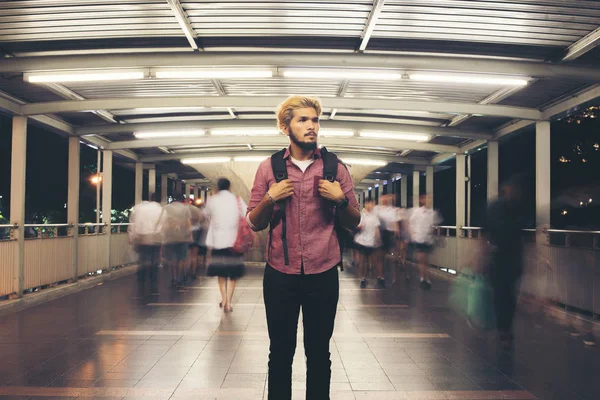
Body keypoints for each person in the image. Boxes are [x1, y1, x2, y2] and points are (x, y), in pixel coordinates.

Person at [246, 95, 361, 400]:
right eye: (303, 120)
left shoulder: (336, 168)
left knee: (319, 353)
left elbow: (354, 221)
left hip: (323, 272)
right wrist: (270, 197)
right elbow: (254, 222)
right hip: (279, 274)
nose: (312, 126)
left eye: (315, 120)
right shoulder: (268, 168)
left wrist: (341, 199)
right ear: (286, 127)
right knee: (280, 353)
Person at [484, 179, 525, 350]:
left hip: (500, 257)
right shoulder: (517, 208)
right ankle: (505, 327)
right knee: (508, 293)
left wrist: (480, 256)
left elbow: (485, 232)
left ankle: (503, 327)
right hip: (512, 257)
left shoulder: (494, 207)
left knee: (501, 293)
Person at [204, 178, 247, 312]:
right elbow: (246, 215)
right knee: (233, 274)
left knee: (221, 274)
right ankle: (229, 302)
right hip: (235, 243)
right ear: (229, 187)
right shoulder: (238, 200)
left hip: (218, 242)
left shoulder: (213, 200)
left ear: (218, 187)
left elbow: (206, 214)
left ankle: (223, 299)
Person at [128, 193, 163, 297]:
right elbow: (163, 226)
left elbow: (133, 223)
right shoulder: (160, 210)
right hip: (155, 239)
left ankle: (141, 285)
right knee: (154, 263)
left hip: (142, 238)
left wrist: (132, 237)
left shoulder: (139, 208)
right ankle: (153, 287)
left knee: (143, 261)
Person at [408, 194, 442, 290]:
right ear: (422, 200)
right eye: (426, 198)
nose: (428, 200)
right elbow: (410, 223)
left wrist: (436, 235)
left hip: (428, 240)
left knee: (426, 261)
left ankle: (425, 277)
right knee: (422, 259)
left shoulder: (432, 213)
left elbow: (435, 225)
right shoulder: (417, 212)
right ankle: (424, 279)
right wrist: (413, 234)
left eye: (429, 199)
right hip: (419, 239)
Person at [160, 194, 192, 289]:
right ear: (182, 200)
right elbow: (188, 222)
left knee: (171, 259)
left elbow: (163, 222)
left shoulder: (166, 207)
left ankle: (173, 278)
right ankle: (179, 278)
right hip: (182, 237)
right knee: (181, 258)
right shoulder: (185, 208)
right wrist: (190, 235)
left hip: (169, 237)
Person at [354, 199, 384, 289]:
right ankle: (363, 278)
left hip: (372, 242)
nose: (370, 205)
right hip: (362, 241)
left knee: (373, 261)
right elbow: (357, 225)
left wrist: (378, 239)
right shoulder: (361, 215)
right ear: (365, 204)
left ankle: (378, 277)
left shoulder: (374, 217)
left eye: (372, 204)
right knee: (362, 261)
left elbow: (377, 229)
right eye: (368, 204)